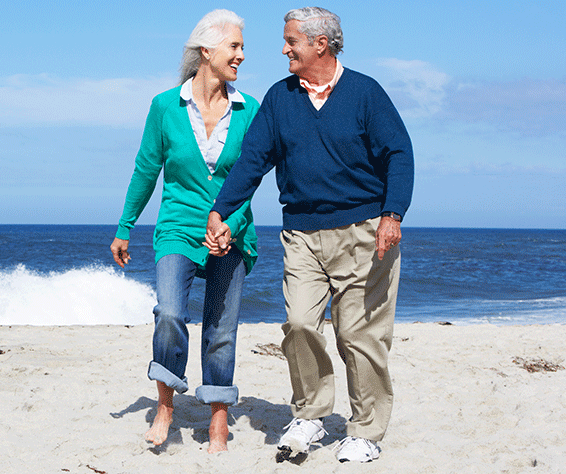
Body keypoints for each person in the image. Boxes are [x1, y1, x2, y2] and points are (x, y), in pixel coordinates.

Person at [206, 6, 414, 463]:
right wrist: (221, 210)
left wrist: (392, 214)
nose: (284, 49)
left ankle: (365, 429)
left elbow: (398, 153)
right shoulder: (280, 99)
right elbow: (252, 161)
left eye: (291, 41)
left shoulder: (365, 93)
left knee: (359, 334)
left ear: (321, 44)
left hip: (363, 231)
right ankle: (312, 413)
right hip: (301, 233)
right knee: (299, 324)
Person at [110, 9, 260, 454]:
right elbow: (146, 170)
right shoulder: (164, 106)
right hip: (177, 228)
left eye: (241, 47)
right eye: (234, 46)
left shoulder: (249, 109)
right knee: (171, 312)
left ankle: (217, 420)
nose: (241, 55)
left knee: (221, 329)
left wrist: (230, 225)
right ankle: (166, 404)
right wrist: (124, 227)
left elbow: (248, 180)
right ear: (205, 51)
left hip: (231, 234)